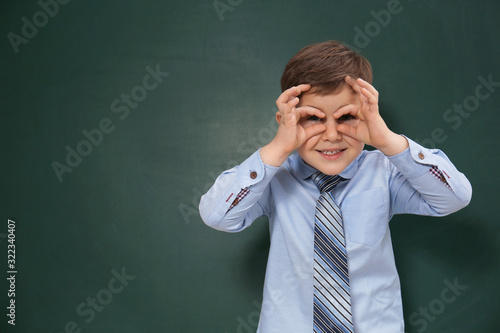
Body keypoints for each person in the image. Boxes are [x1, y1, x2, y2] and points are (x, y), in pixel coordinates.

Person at [199, 40, 472, 332]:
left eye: (346, 117)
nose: (331, 134)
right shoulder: (274, 178)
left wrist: (387, 141)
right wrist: (278, 148)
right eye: (313, 118)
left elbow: (454, 197)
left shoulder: (384, 172)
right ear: (286, 121)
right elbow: (217, 216)